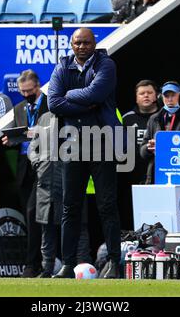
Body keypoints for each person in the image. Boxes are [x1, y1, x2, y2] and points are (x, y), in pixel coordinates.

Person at [48, 28, 122, 279]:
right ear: (71, 44)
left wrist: (69, 95)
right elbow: (53, 103)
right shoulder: (62, 67)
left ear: (94, 43)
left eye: (86, 42)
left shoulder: (107, 64)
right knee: (70, 206)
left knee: (107, 205)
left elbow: (97, 94)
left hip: (102, 141)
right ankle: (68, 264)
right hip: (72, 144)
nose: (81, 46)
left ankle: (114, 262)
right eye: (77, 42)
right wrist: (83, 101)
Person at [28, 112, 92, 277]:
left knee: (77, 224)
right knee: (46, 225)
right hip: (46, 181)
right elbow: (33, 147)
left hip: (71, 179)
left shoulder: (80, 115)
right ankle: (47, 268)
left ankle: (81, 267)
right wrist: (38, 162)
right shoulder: (44, 118)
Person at [1, 69, 48, 278]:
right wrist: (10, 140)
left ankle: (33, 264)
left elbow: (56, 131)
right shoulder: (19, 107)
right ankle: (35, 262)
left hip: (45, 162)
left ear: (37, 87)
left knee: (33, 212)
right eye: (22, 91)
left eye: (29, 90)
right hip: (24, 166)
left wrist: (30, 133)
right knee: (30, 217)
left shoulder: (50, 104)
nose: (26, 94)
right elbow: (17, 132)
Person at [140, 81, 180, 183]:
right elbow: (142, 151)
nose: (169, 99)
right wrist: (149, 148)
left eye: (173, 95)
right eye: (166, 96)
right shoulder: (154, 119)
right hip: (158, 174)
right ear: (160, 98)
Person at [120, 80, 159, 229]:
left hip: (156, 175)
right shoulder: (126, 118)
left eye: (149, 93)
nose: (146, 96)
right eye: (142, 93)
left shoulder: (162, 117)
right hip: (132, 176)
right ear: (136, 98)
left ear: (156, 96)